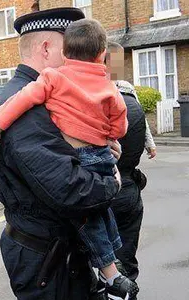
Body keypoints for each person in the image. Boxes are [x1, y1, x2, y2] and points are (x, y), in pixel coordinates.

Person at [0, 19, 139, 299]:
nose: (75, 57)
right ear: (46, 48)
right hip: (47, 261)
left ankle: (111, 271)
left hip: (56, 254)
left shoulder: (47, 91)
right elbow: (71, 190)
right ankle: (112, 274)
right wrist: (112, 183)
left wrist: (100, 141)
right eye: (68, 47)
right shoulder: (23, 106)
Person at [103, 41, 148, 300]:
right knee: (127, 260)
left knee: (105, 265)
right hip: (130, 189)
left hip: (105, 191)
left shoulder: (97, 102)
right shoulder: (131, 99)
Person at [107, 41, 157, 159]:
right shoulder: (99, 86)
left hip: (130, 142)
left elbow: (141, 117)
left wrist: (150, 144)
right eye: (115, 62)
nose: (119, 66)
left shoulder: (127, 87)